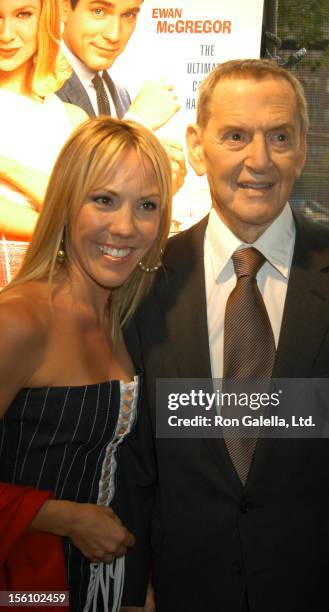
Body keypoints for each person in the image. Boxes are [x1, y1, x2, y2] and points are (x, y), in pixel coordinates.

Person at [123, 59, 329, 612]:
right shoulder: (147, 278)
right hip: (188, 591)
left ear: (302, 148)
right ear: (197, 148)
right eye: (235, 136)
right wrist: (133, 591)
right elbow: (135, 465)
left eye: (279, 137)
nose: (260, 160)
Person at [0, 117, 172, 611]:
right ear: (65, 204)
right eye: (103, 200)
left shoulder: (125, 320)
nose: (124, 226)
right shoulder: (21, 320)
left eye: (146, 206)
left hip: (106, 590)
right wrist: (60, 517)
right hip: (27, 590)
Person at [0, 0, 88, 287]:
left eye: (23, 14)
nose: (7, 33)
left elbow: (84, 210)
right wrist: (64, 230)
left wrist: (9, 168)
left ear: (45, 18)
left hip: (58, 294)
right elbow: (77, 218)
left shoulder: (71, 118)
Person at [58, 0, 186, 194]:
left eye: (128, 15)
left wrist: (154, 184)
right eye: (99, 11)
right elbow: (64, 196)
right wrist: (137, 123)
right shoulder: (35, 87)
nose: (114, 35)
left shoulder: (120, 94)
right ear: (64, 8)